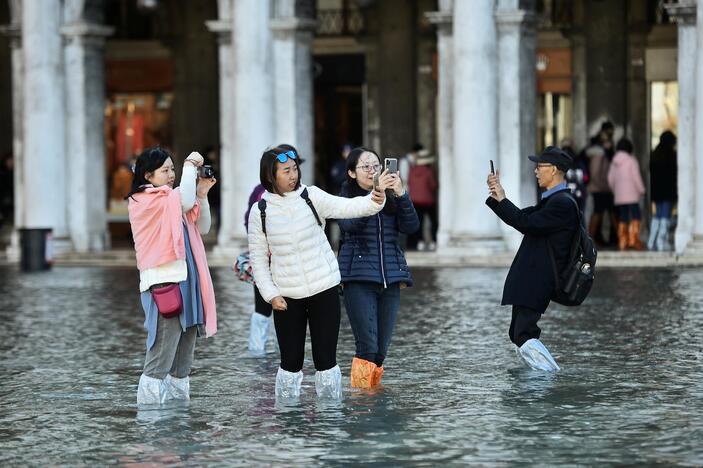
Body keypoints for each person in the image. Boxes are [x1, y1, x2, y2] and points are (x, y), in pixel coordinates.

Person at [248, 144, 389, 400]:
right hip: (286, 296)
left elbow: (349, 207)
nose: (293, 175)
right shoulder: (261, 211)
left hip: (323, 288)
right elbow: (257, 259)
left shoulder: (311, 196)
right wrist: (270, 294)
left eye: (295, 169)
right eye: (286, 171)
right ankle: (289, 417)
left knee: (326, 359)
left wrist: (375, 198)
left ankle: (330, 417)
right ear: (270, 176)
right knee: (290, 361)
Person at [127, 147, 218, 405]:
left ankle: (178, 416)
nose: (171, 175)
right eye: (165, 170)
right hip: (165, 283)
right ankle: (151, 419)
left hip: (188, 281)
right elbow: (185, 201)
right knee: (160, 355)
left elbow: (203, 226)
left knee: (182, 361)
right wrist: (190, 164)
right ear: (147, 176)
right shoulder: (143, 200)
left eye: (173, 169)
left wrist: (202, 194)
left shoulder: (172, 199)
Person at [485, 146, 578, 372]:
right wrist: (500, 197)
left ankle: (550, 377)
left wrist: (502, 199)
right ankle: (535, 381)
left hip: (539, 278)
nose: (536, 171)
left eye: (540, 167)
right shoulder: (553, 200)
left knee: (523, 332)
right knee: (516, 333)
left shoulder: (562, 203)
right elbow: (523, 217)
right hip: (532, 277)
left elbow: (526, 223)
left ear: (554, 170)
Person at [338, 147, 419, 388]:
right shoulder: (346, 197)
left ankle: (372, 396)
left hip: (391, 279)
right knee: (367, 347)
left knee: (381, 351)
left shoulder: (392, 196)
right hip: (358, 278)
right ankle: (362, 404)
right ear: (352, 173)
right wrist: (375, 196)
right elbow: (349, 226)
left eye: (376, 165)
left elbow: (411, 226)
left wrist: (401, 194)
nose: (373, 170)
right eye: (366, 167)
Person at [607, 138, 645, 251]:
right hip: (632, 195)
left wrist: (615, 190)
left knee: (623, 217)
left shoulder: (614, 161)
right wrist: (642, 190)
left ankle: (622, 242)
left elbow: (610, 178)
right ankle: (633, 241)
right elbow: (636, 177)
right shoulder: (631, 160)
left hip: (619, 195)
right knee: (635, 216)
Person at [586, 130, 617, 247]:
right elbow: (595, 174)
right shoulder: (599, 154)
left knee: (604, 213)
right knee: (598, 213)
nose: (611, 144)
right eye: (608, 141)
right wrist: (605, 186)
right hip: (600, 189)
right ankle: (590, 240)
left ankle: (619, 238)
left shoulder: (605, 154)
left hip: (603, 188)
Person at [648, 131, 677, 251]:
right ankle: (661, 242)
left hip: (656, 190)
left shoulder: (654, 154)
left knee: (657, 216)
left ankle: (651, 241)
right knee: (665, 216)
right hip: (668, 190)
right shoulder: (672, 155)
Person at [407, 150, 439, 251]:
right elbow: (433, 186)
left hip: (415, 201)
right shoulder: (429, 171)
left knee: (418, 223)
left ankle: (419, 242)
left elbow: (409, 183)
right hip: (428, 201)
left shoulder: (411, 171)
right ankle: (434, 241)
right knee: (433, 222)